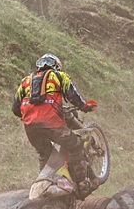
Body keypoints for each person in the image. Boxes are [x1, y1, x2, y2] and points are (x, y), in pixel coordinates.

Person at [12, 53, 95, 185]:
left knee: (45, 154)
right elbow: (72, 94)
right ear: (56, 65)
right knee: (75, 144)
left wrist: (32, 117)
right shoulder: (59, 76)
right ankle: (82, 181)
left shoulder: (25, 81)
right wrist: (84, 106)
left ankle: (44, 183)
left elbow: (15, 108)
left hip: (31, 127)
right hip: (52, 123)